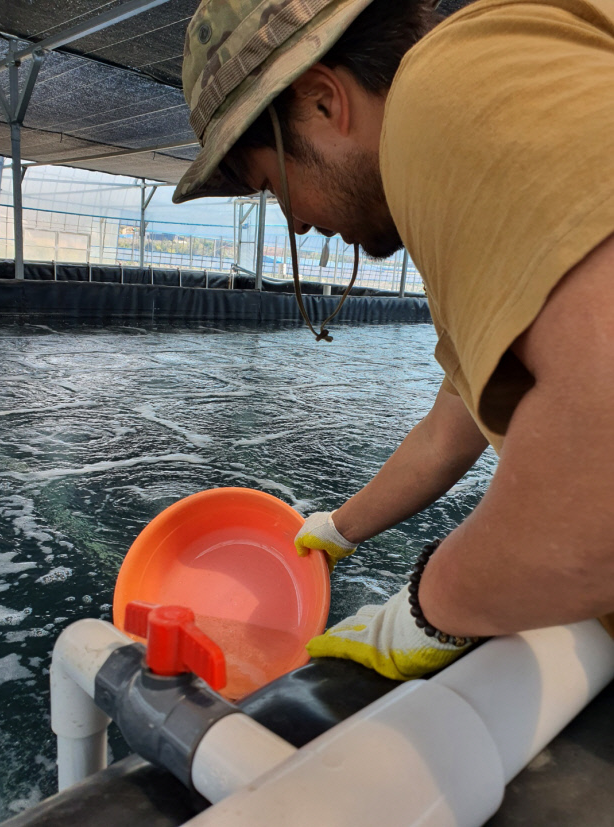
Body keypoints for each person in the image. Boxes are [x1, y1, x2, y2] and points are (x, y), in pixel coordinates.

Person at [174, 0, 614, 680]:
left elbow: (599, 481)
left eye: (273, 185)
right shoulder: (491, 101)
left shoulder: (447, 91)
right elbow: (450, 428)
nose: (295, 222)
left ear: (323, 100)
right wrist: (338, 527)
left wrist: (431, 606)